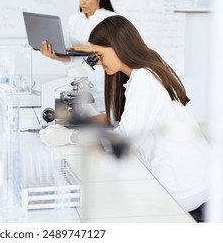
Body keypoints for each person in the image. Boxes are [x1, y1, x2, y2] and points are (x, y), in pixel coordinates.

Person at [40, 15, 211, 217]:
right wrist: (72, 123)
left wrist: (71, 137)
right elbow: (115, 118)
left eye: (100, 55)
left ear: (117, 46)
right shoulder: (142, 71)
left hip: (185, 188)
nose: (99, 62)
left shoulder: (145, 79)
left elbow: (123, 141)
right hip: (189, 177)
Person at [41, 0, 116, 112]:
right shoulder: (74, 19)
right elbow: (71, 55)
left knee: (102, 120)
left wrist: (89, 48)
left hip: (102, 83)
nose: (82, 2)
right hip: (78, 81)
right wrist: (55, 56)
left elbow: (118, 52)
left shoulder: (111, 19)